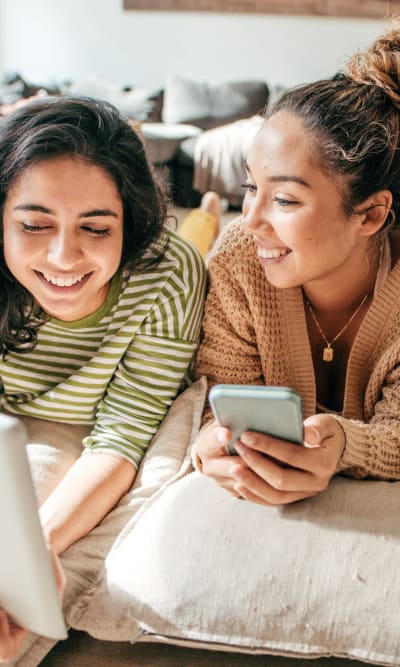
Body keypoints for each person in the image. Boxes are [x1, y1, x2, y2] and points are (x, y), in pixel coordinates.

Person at [0, 95, 206, 662]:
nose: (64, 256)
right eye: (35, 224)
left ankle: (207, 211)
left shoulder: (167, 274)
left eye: (95, 227)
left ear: (129, 223)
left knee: (204, 236)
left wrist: (28, 553)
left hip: (92, 421)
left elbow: (123, 432)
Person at [191, 22, 400, 506]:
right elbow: (217, 397)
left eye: (284, 199)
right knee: (196, 239)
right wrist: (212, 446)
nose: (251, 219)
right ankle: (203, 211)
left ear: (370, 214)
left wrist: (348, 444)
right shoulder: (239, 259)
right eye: (249, 189)